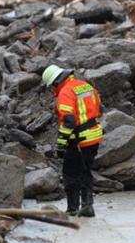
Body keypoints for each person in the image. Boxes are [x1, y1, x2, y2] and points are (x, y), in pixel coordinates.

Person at [42, 64, 104, 217]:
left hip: (78, 139)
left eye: (51, 87)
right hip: (94, 135)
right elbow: (100, 109)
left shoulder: (65, 92)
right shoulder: (84, 85)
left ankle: (72, 208)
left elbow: (69, 120)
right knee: (86, 170)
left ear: (56, 82)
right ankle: (87, 205)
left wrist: (61, 145)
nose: (52, 91)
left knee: (70, 172)